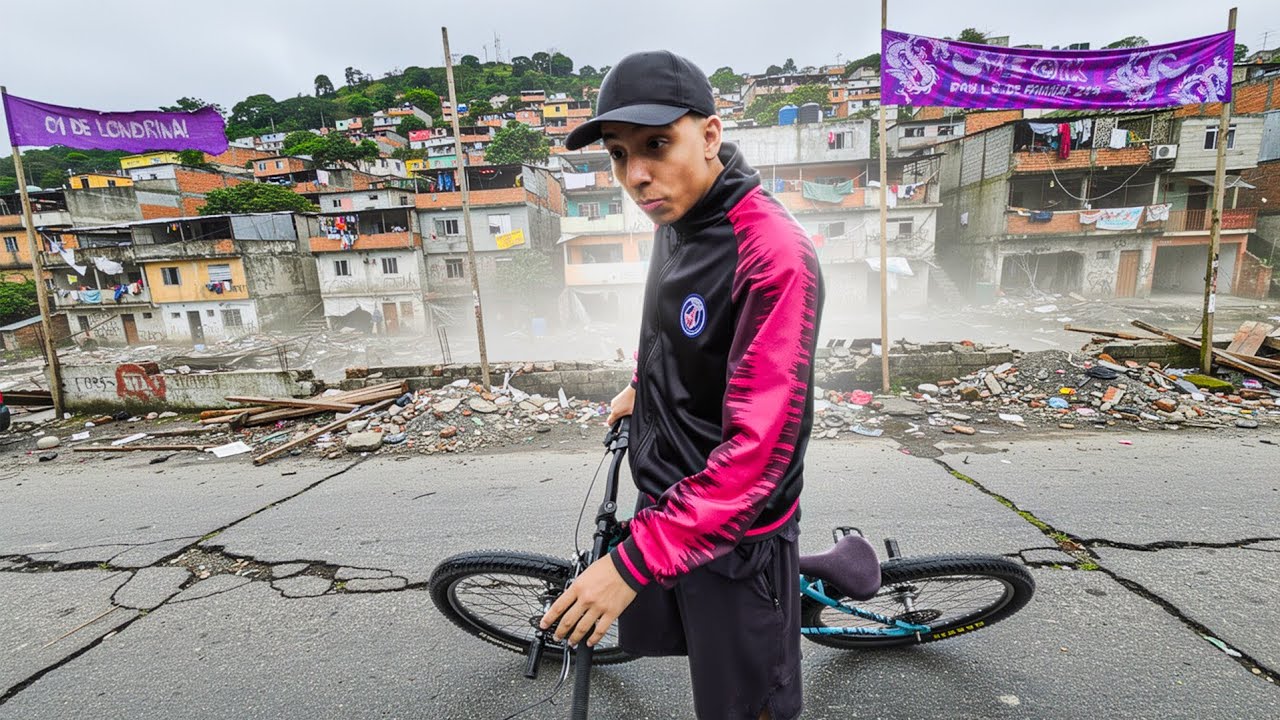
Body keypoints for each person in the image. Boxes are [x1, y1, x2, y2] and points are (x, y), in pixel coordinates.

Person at [539, 50, 824, 720]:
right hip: (673, 510)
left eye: (657, 145)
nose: (636, 176)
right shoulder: (678, 215)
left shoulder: (773, 255)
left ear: (710, 135)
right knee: (686, 652)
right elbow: (667, 327)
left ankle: (815, 575)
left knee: (744, 709)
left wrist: (633, 563)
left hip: (736, 537)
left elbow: (758, 458)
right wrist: (642, 384)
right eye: (618, 153)